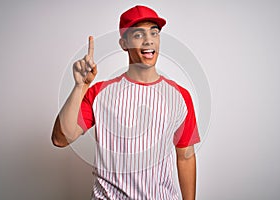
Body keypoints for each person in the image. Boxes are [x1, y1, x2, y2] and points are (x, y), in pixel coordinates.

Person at [52, 5, 200, 200]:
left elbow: (186, 156)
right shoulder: (99, 93)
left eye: (154, 33)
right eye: (138, 35)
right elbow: (61, 139)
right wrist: (80, 87)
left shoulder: (180, 96)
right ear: (124, 43)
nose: (149, 40)